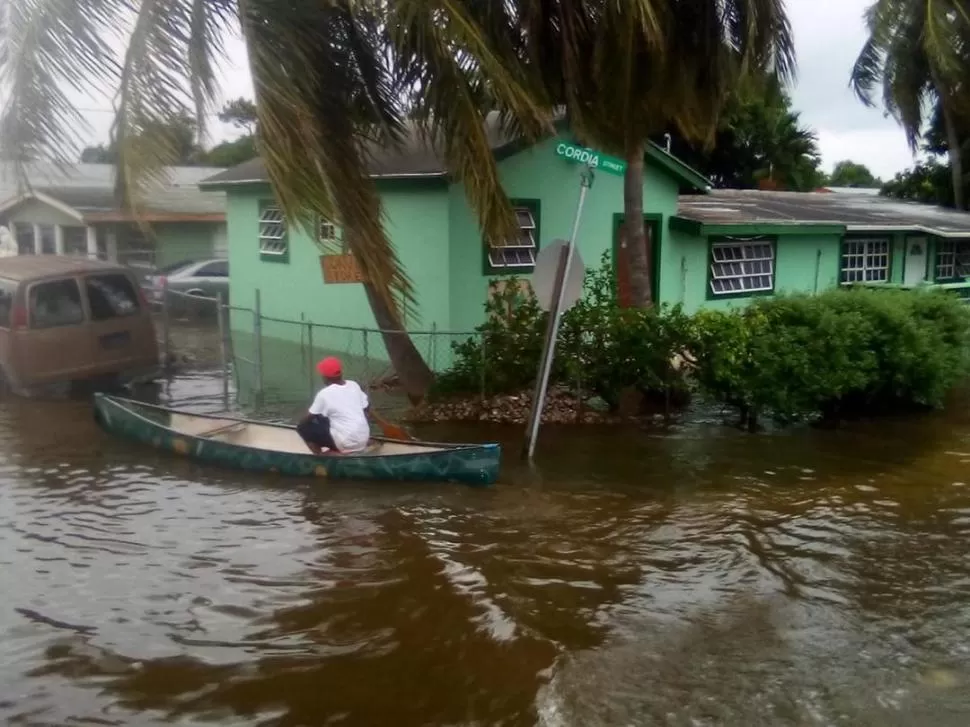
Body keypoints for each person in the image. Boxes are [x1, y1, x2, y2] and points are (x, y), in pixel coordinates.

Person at [297, 356, 371, 454]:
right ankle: (348, 444)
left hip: (345, 443)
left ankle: (321, 458)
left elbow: (308, 418)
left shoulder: (324, 393)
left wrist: (299, 424)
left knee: (304, 428)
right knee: (322, 418)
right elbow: (366, 408)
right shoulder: (354, 385)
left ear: (325, 377)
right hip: (364, 439)